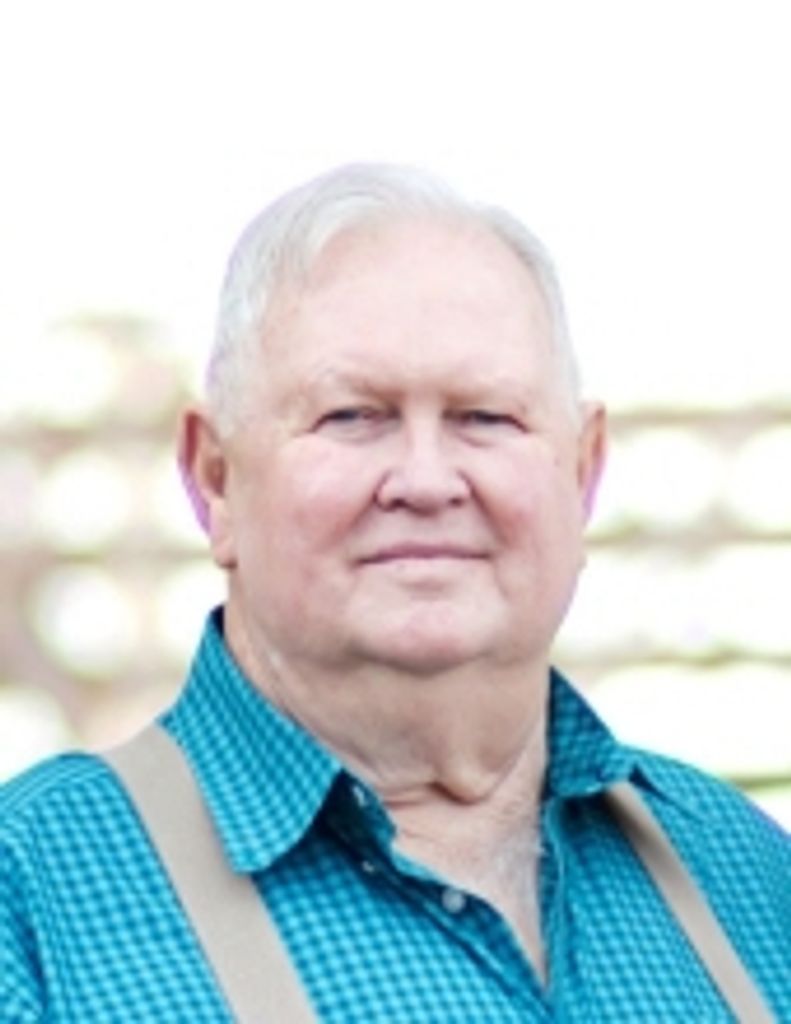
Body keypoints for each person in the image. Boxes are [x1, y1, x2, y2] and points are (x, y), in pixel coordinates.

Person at [2, 163, 788, 1023]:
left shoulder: (748, 880)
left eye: (485, 417)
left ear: (582, 473)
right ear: (215, 480)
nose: (425, 480)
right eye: (352, 415)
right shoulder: (32, 900)